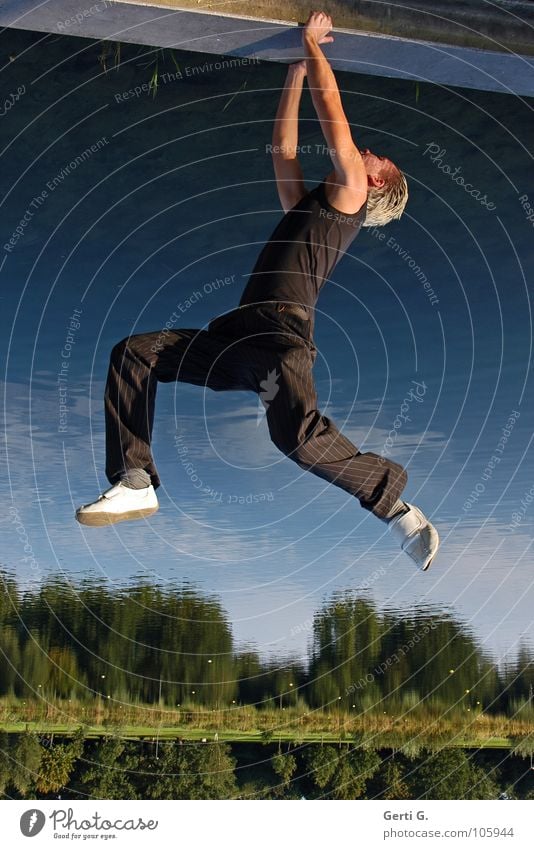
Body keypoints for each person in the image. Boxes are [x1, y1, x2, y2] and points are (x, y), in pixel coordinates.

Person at [76, 11, 439, 572]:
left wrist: (312, 44)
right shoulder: (309, 208)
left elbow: (333, 115)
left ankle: (396, 508)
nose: (368, 151)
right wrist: (293, 76)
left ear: (375, 184)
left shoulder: (349, 198)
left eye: (377, 160)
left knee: (296, 436)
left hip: (281, 334)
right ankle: (135, 478)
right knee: (135, 354)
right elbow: (283, 151)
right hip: (240, 337)